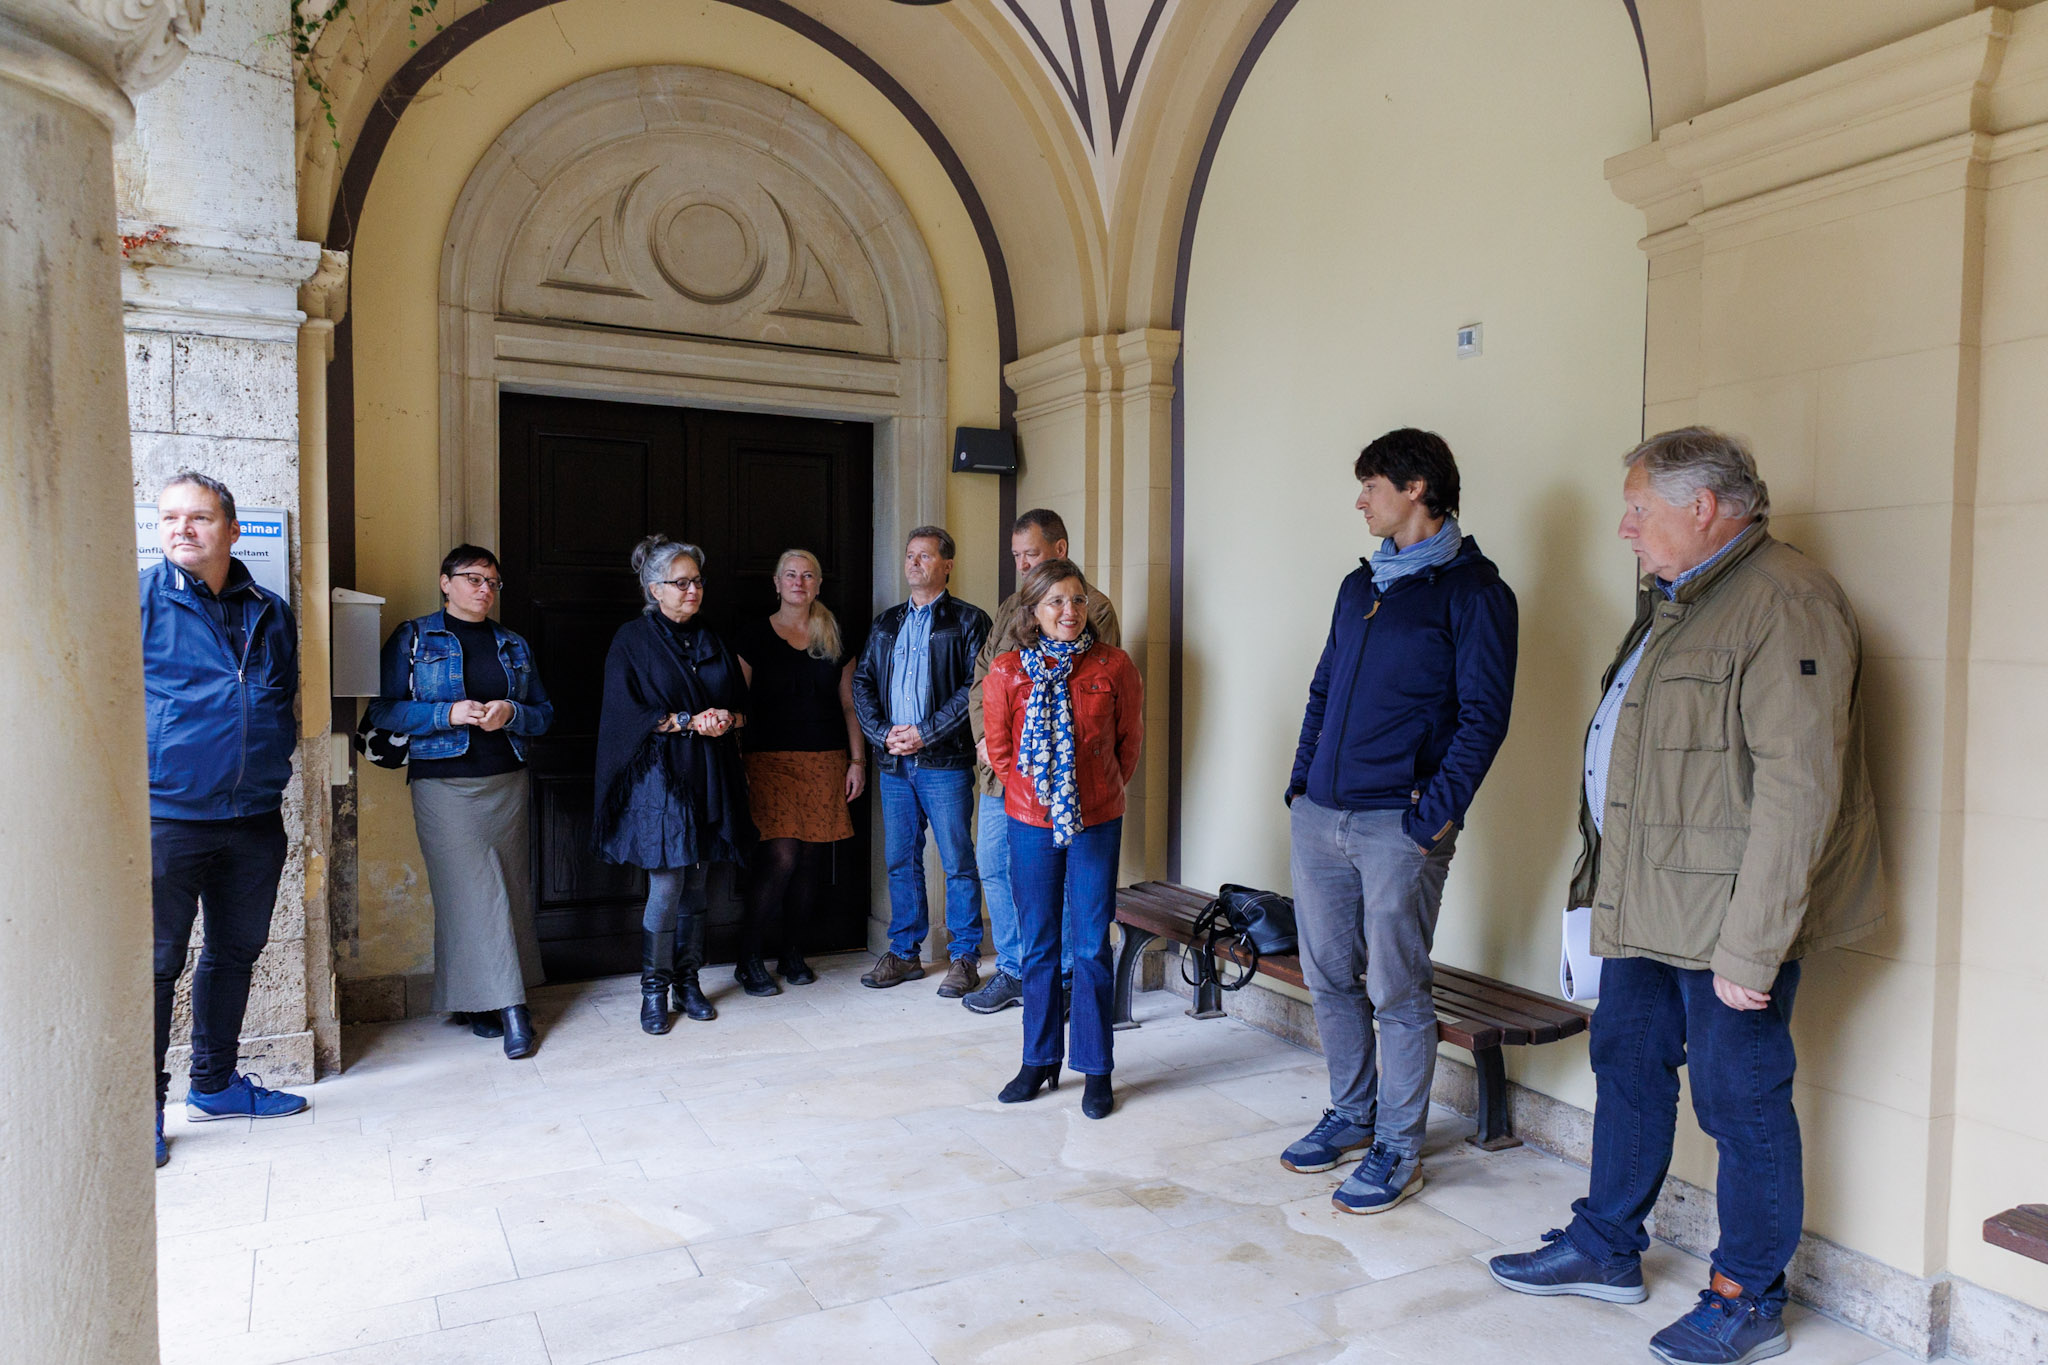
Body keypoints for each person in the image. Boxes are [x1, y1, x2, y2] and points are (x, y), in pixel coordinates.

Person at [1489, 428, 1884, 1365]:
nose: (1625, 528)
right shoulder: (1680, 600)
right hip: (1646, 898)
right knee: (1626, 1064)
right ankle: (1606, 1244)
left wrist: (1753, 948)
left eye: (1639, 509)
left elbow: (1799, 792)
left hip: (1728, 920)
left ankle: (1748, 1294)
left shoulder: (1785, 601)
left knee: (1740, 1099)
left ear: (1702, 507)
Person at [1282, 427, 1519, 1214]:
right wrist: (1302, 784)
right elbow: (1322, 690)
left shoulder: (1476, 593)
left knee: (1397, 989)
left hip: (1398, 828)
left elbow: (1484, 718)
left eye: (1371, 486)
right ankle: (1352, 1114)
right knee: (1327, 976)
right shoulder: (1360, 587)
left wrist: (1433, 818)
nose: (1361, 500)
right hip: (1322, 815)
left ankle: (1397, 1147)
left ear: (1416, 488)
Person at [142, 471, 308, 1167]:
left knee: (235, 952)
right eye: (170, 517)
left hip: (253, 816)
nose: (182, 528)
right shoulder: (138, 601)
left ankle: (213, 1084)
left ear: (232, 530)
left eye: (199, 517)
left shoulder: (270, 610)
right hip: (167, 817)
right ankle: (140, 1112)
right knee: (155, 966)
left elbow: (282, 696)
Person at [365, 546, 555, 1060]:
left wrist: (511, 712)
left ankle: (475, 1001)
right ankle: (512, 1008)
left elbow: (543, 713)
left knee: (507, 892)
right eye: (473, 578)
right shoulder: (414, 636)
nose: (484, 589)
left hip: (506, 782)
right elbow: (382, 710)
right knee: (472, 894)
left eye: (492, 582)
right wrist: (445, 714)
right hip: (443, 785)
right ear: (445, 582)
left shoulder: (512, 643)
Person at [982, 559, 1143, 1120]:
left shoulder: (1114, 665)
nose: (1069, 611)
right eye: (1055, 601)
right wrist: (1039, 797)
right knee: (1038, 943)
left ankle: (1097, 1069)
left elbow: (1128, 745)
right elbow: (1000, 751)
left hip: (1097, 819)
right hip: (1030, 820)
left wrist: (1093, 793)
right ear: (1033, 611)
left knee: (1091, 944)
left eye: (1077, 600)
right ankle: (1039, 1060)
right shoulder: (1006, 670)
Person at [963, 509, 1121, 1015]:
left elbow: (1097, 692)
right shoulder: (1013, 605)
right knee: (993, 866)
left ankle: (1068, 978)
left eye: (1030, 553)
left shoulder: (1094, 607)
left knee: (1066, 881)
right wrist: (986, 740)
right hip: (1001, 772)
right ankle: (1014, 969)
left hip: (1060, 777)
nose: (1022, 563)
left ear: (1060, 549)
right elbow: (985, 676)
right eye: (1016, 555)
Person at [593, 535, 752, 1034]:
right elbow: (624, 714)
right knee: (667, 883)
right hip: (660, 777)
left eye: (697, 581)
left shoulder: (713, 637)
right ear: (654, 589)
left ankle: (688, 981)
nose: (692, 590)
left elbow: (744, 707)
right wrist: (687, 720)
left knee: (698, 882)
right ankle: (654, 990)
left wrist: (724, 718)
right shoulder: (632, 640)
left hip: (710, 771)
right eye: (680, 583)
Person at [850, 526, 992, 993]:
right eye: (910, 555)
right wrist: (882, 733)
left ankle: (965, 957)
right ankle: (905, 953)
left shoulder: (969, 620)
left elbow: (975, 690)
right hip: (894, 763)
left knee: (957, 860)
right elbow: (863, 682)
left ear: (947, 565)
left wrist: (924, 733)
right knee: (900, 859)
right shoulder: (886, 622)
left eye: (925, 556)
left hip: (945, 763)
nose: (914, 563)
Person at [732, 549, 866, 993]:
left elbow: (849, 706)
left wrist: (857, 761)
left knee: (810, 861)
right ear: (776, 583)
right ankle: (749, 957)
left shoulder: (834, 635)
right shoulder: (753, 636)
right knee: (782, 856)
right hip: (768, 762)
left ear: (818, 585)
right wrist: (734, 764)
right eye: (790, 574)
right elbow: (737, 706)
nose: (798, 582)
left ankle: (792, 952)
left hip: (825, 760)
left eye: (808, 575)